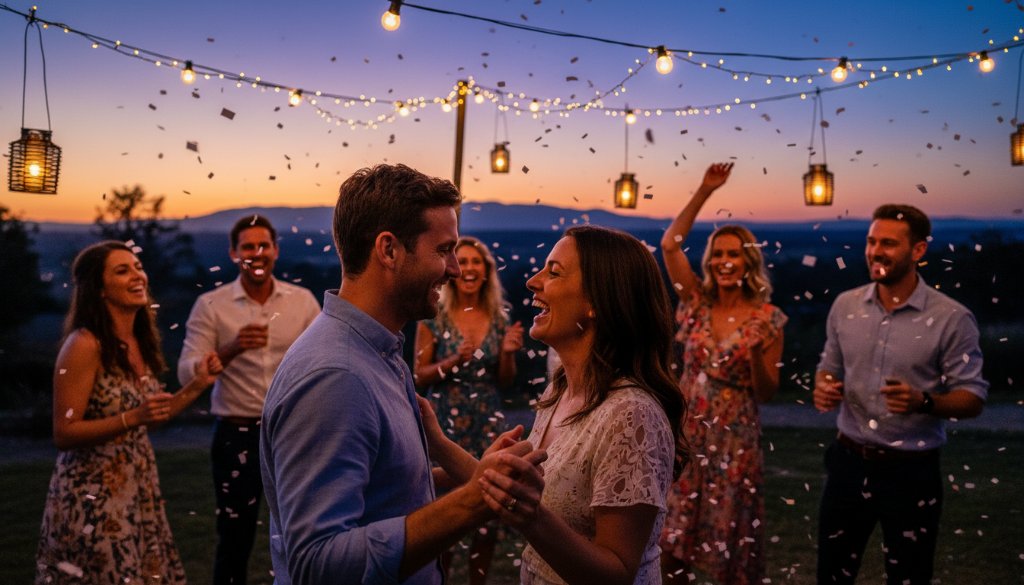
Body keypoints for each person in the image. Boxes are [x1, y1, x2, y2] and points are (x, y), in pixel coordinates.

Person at [259, 163, 546, 585]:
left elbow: (380, 488)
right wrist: (474, 500)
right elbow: (318, 563)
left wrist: (475, 473)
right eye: (444, 250)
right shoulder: (335, 376)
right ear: (389, 250)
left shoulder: (378, 349)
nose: (453, 269)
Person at [447, 225, 685, 585]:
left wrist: (531, 518)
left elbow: (617, 573)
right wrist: (429, 439)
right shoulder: (558, 392)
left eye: (553, 272)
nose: (532, 281)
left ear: (596, 302)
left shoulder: (631, 414)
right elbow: (502, 484)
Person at [813, 204, 987, 585]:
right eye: (872, 241)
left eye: (889, 243)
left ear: (919, 251)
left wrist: (924, 401)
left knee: (909, 575)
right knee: (831, 572)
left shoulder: (952, 318)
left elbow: (972, 397)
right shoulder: (845, 306)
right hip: (848, 462)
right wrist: (824, 385)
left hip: (911, 470)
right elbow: (829, 365)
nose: (876, 251)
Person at [36, 241, 222, 584]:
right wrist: (131, 418)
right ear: (100, 289)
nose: (137, 275)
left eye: (137, 267)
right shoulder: (84, 344)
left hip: (137, 490)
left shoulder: (139, 341)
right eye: (122, 270)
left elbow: (155, 413)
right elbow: (64, 433)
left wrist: (198, 385)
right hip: (92, 497)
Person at [658, 163, 787, 585]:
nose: (725, 262)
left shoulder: (767, 320)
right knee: (670, 542)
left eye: (734, 254)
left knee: (727, 546)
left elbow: (767, 392)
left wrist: (752, 358)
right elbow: (670, 246)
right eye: (718, 254)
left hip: (734, 441)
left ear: (748, 262)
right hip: (686, 434)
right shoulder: (695, 300)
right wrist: (704, 189)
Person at [178, 214, 320, 585]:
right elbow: (186, 371)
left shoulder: (302, 301)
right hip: (235, 433)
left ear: (275, 250)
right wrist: (230, 349)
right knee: (234, 536)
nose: (256, 253)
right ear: (233, 253)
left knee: (303, 532)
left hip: (292, 433)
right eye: (247, 247)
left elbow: (323, 362)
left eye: (263, 245)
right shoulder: (211, 305)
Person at [414, 235, 524, 584]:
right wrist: (452, 361)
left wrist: (507, 353)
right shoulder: (433, 316)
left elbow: (506, 382)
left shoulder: (499, 316)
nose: (470, 268)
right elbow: (420, 374)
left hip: (486, 421)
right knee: (443, 514)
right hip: (446, 423)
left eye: (478, 262)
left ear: (486, 270)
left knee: (487, 510)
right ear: (453, 270)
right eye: (464, 261)